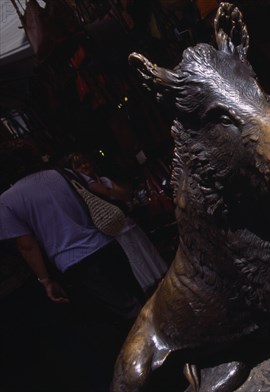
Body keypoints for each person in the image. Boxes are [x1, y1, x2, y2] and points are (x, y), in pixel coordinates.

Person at [0, 148, 145, 390]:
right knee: (135, 301)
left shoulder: (7, 201)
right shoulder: (62, 174)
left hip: (76, 264)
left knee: (117, 320)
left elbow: (27, 245)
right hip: (107, 247)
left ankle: (149, 371)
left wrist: (45, 281)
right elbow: (99, 192)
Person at [68, 153, 168, 293]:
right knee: (133, 256)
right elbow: (120, 195)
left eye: (85, 162)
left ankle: (159, 278)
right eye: (79, 166)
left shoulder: (102, 180)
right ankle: (149, 286)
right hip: (112, 228)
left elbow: (124, 193)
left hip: (125, 221)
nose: (84, 166)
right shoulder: (84, 190)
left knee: (142, 248)